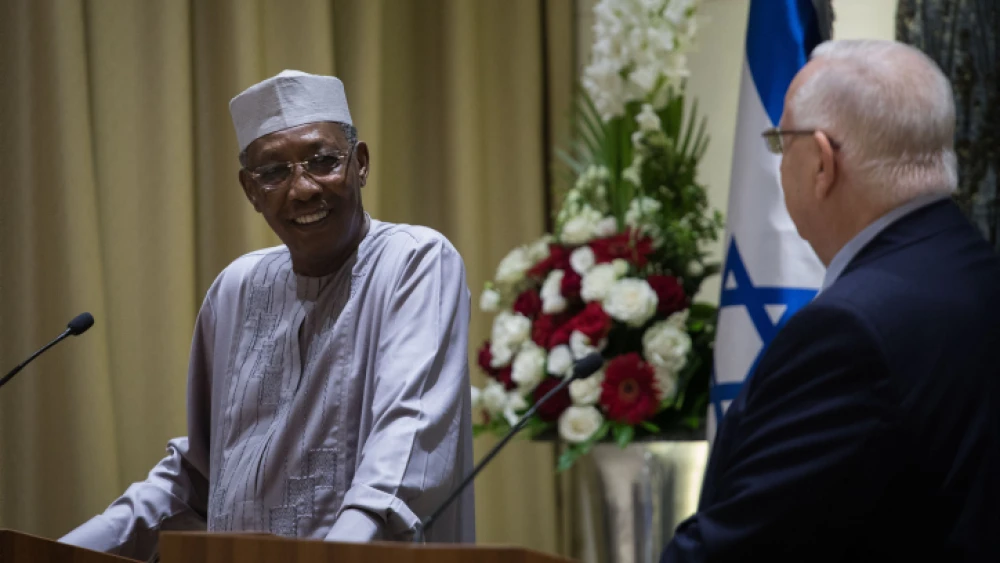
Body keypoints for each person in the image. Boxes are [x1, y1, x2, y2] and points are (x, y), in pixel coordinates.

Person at [60, 70, 475, 559]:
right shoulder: (236, 289)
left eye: (323, 162)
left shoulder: (414, 261)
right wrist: (66, 550)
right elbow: (198, 475)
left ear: (360, 164)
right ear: (250, 191)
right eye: (274, 173)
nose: (301, 189)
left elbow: (405, 450)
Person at [663, 40, 1000, 561]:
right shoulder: (974, 270)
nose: (779, 164)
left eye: (780, 143)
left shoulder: (849, 332)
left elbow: (742, 546)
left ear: (822, 162)